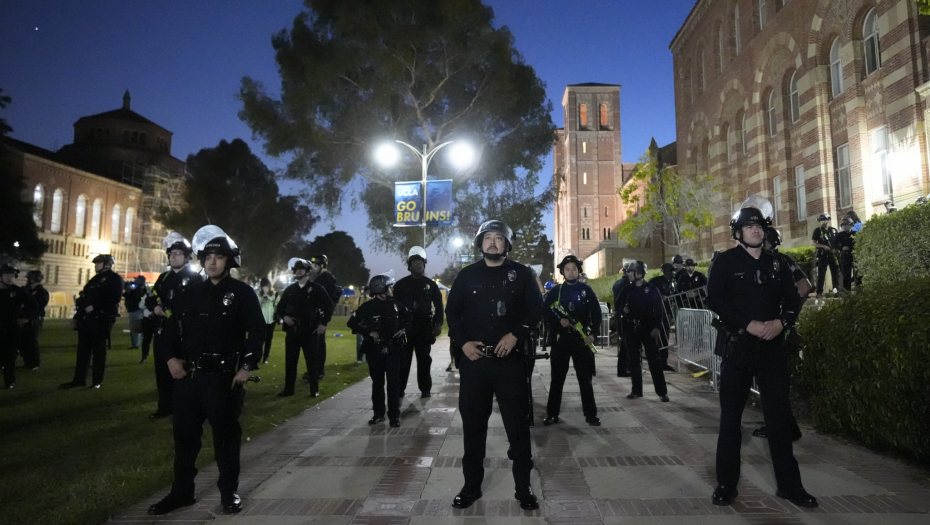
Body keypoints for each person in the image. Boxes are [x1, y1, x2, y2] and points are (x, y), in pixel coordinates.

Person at [706, 196, 816, 509]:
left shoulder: (777, 264)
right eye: (749, 226)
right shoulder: (725, 262)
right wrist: (748, 324)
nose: (756, 230)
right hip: (739, 350)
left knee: (779, 420)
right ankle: (727, 484)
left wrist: (782, 323)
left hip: (772, 351)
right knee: (730, 421)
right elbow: (714, 301)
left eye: (759, 225)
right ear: (737, 232)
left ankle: (790, 487)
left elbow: (794, 299)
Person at [147, 225, 265, 516]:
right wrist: (171, 359)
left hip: (223, 379)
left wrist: (247, 366)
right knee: (185, 438)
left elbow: (257, 331)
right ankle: (181, 493)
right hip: (188, 379)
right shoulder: (190, 293)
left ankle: (228, 493)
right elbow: (171, 330)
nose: (212, 261)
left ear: (229, 261)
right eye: (208, 256)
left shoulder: (241, 293)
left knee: (225, 439)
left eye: (219, 257)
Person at [445, 220, 542, 511]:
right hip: (475, 364)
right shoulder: (466, 275)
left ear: (507, 244)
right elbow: (453, 314)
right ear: (480, 243)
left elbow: (536, 309)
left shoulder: (522, 275)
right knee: (473, 428)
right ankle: (471, 486)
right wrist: (462, 343)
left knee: (517, 427)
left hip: (509, 364)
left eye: (499, 238)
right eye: (488, 238)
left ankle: (523, 487)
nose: (493, 242)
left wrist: (516, 334)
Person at [751, 228, 807, 442]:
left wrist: (786, 317)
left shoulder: (778, 262)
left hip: (779, 331)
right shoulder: (778, 261)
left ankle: (782, 428)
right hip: (777, 328)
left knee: (774, 382)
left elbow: (804, 287)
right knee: (774, 382)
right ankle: (785, 426)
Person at [145, 232, 201, 419]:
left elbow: (194, 305)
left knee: (181, 370)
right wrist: (155, 308)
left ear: (186, 257)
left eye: (178, 253)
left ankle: (183, 408)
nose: (174, 257)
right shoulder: (163, 278)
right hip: (162, 330)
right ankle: (164, 407)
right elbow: (151, 298)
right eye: (171, 254)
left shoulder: (194, 279)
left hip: (182, 331)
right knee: (161, 370)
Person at [542, 254, 601, 426]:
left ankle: (591, 415)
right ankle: (552, 414)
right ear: (562, 272)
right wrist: (558, 321)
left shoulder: (586, 290)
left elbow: (596, 314)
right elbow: (545, 313)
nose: (571, 272)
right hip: (561, 341)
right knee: (557, 379)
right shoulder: (556, 291)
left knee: (585, 380)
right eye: (567, 269)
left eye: (574, 269)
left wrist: (593, 334)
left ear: (579, 270)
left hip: (581, 341)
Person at [348, 273, 410, 427]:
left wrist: (403, 329)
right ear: (381, 289)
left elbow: (408, 318)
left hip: (394, 349)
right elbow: (352, 323)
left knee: (393, 383)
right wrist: (369, 332)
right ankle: (378, 414)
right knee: (377, 383)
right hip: (374, 349)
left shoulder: (396, 305)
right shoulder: (367, 307)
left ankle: (394, 416)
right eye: (390, 287)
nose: (392, 290)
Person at [61, 254, 123, 389]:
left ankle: (96, 381)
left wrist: (95, 306)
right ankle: (79, 379)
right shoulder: (95, 280)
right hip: (87, 319)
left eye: (98, 263)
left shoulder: (115, 279)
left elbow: (113, 298)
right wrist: (78, 315)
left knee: (98, 352)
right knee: (83, 350)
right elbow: (84, 297)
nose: (96, 266)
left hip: (102, 318)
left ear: (107, 264)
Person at [276, 258, 334, 398]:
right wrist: (285, 317)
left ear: (307, 272)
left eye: (301, 269)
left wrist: (323, 323)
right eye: (296, 270)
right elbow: (280, 308)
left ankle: (314, 390)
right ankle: (289, 389)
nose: (298, 272)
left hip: (310, 331)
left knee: (312, 362)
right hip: (293, 331)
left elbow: (329, 306)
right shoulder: (290, 289)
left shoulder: (316, 289)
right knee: (290, 362)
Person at [393, 246, 444, 399]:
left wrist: (438, 324)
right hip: (405, 328)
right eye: (415, 263)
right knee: (403, 361)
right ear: (409, 266)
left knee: (424, 361)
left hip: (423, 328)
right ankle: (400, 389)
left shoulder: (431, 285)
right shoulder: (401, 285)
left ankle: (425, 389)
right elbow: (393, 306)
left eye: (421, 263)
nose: (419, 266)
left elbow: (439, 306)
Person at [616, 261, 668, 402]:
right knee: (634, 361)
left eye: (631, 271)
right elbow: (618, 305)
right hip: (631, 329)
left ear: (639, 273)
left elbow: (658, 310)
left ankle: (662, 392)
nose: (628, 274)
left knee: (654, 361)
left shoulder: (651, 289)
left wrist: (657, 327)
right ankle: (636, 390)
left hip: (648, 329)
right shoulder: (627, 289)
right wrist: (623, 311)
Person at [1, 263, 36, 388]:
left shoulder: (18, 291)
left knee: (10, 357)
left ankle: (10, 381)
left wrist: (26, 318)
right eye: (7, 275)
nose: (10, 278)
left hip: (11, 329)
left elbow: (33, 305)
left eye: (12, 275)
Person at [308, 254, 340, 381]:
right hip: (320, 315)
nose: (313, 268)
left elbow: (325, 301)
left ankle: (318, 371)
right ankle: (315, 370)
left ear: (321, 265)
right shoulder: (324, 277)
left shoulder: (325, 278)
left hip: (321, 315)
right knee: (317, 343)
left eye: (315, 265)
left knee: (318, 344)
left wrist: (324, 321)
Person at [648, 263, 679, 371]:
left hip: (667, 314)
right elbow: (648, 293)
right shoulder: (655, 281)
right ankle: (655, 361)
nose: (674, 273)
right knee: (656, 339)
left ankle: (663, 362)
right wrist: (659, 297)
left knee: (665, 339)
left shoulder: (672, 283)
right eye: (672, 271)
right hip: (656, 315)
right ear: (666, 271)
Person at [19, 270, 48, 370]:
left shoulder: (42, 292)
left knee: (31, 341)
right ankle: (27, 362)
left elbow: (39, 306)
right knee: (24, 341)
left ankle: (34, 363)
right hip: (24, 318)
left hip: (34, 319)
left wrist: (29, 318)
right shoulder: (26, 290)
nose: (28, 280)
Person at [611, 261, 633, 377]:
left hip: (619, 315)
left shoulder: (617, 283)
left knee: (625, 343)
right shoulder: (627, 285)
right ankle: (625, 368)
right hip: (625, 317)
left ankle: (625, 368)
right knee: (626, 344)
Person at [811, 213, 838, 297]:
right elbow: (814, 243)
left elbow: (836, 242)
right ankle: (819, 292)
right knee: (821, 274)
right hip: (823, 255)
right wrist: (823, 246)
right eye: (821, 220)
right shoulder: (817, 231)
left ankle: (836, 291)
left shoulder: (832, 230)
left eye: (824, 220)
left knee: (835, 273)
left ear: (828, 220)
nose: (823, 222)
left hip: (832, 255)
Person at [257, 278, 279, 365]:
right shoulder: (259, 294)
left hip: (271, 319)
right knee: (260, 339)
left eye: (266, 286)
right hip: (262, 319)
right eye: (263, 286)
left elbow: (277, 303)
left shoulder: (274, 294)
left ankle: (265, 357)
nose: (265, 288)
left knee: (268, 340)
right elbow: (256, 304)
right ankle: (259, 356)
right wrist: (262, 299)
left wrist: (269, 299)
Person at [125, 275, 147, 349]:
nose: (135, 281)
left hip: (135, 309)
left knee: (135, 327)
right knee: (138, 326)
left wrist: (129, 291)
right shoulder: (142, 287)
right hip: (138, 309)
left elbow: (133, 297)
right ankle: (137, 343)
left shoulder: (138, 288)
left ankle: (135, 344)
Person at [835, 219, 855, 292]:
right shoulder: (839, 235)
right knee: (846, 274)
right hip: (845, 256)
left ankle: (858, 289)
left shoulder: (855, 234)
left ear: (851, 225)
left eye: (847, 225)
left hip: (854, 256)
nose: (845, 227)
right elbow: (834, 245)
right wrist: (841, 248)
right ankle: (847, 291)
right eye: (843, 225)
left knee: (857, 274)